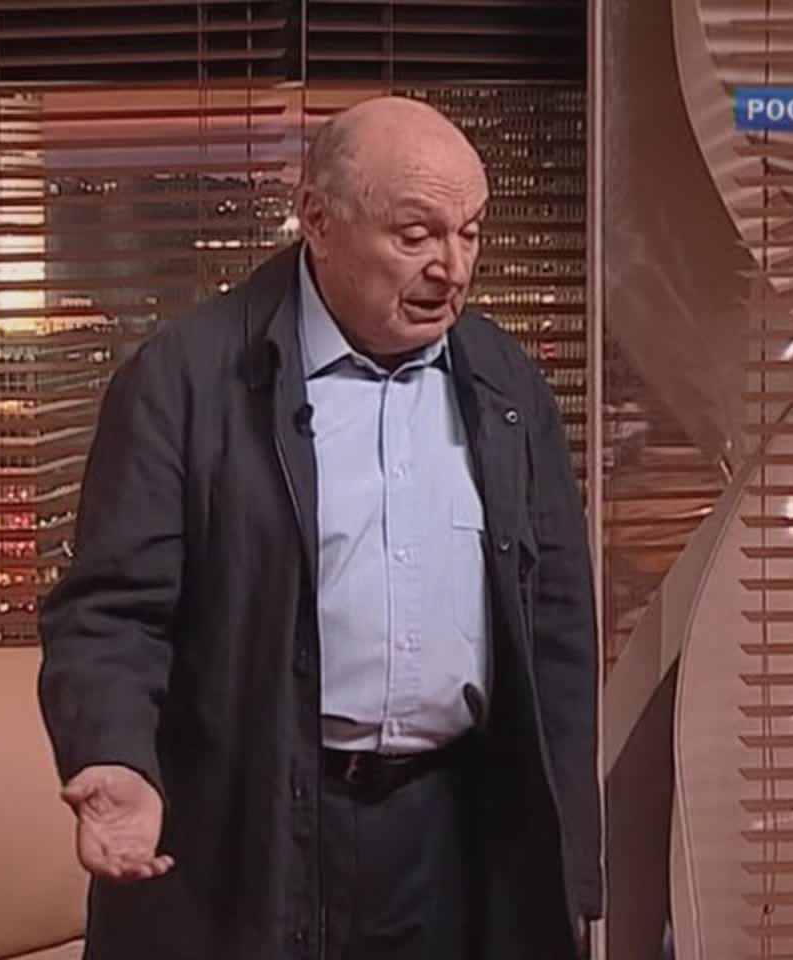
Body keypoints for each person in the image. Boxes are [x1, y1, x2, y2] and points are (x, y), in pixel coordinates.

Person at [37, 95, 603, 960]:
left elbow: (557, 630)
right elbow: (111, 612)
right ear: (318, 221)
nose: (452, 268)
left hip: (451, 833)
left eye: (470, 233)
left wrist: (569, 867)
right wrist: (114, 755)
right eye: (416, 235)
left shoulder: (506, 384)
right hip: (256, 825)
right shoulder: (184, 380)